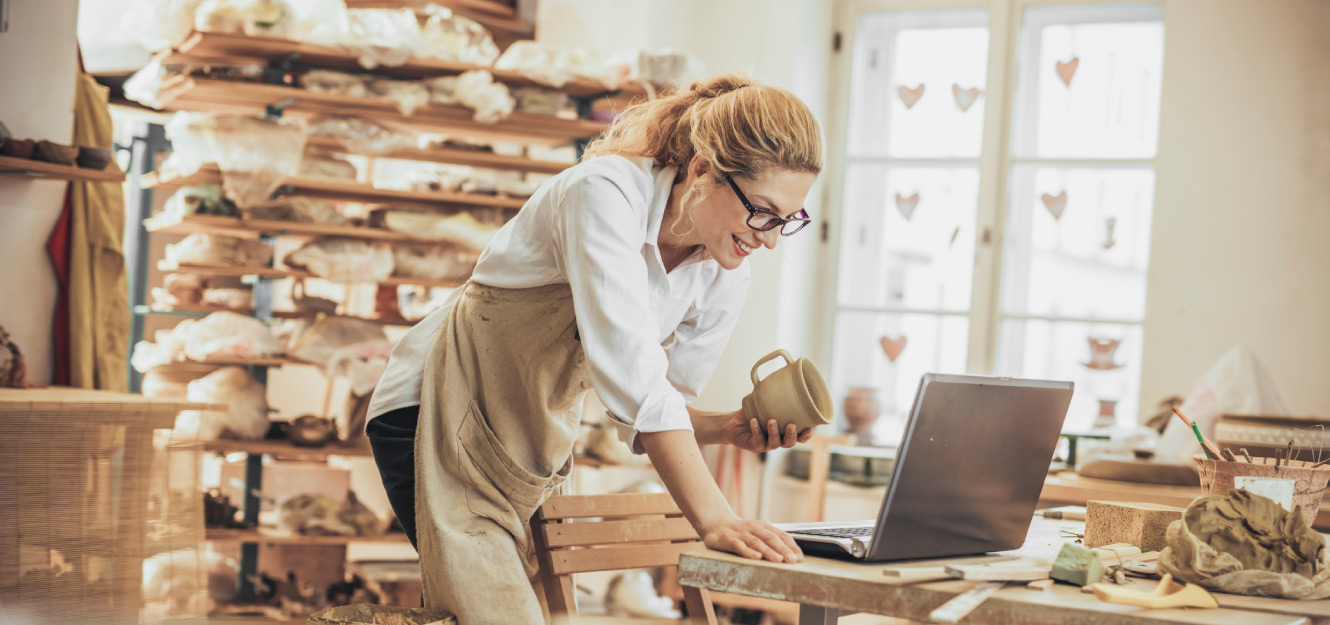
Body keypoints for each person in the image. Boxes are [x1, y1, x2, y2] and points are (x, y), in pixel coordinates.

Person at [365, 71, 824, 624]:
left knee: (534, 612)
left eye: (788, 220)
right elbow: (639, 390)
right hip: (431, 412)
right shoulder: (603, 194)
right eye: (763, 211)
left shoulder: (725, 270)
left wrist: (726, 428)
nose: (770, 238)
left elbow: (655, 411)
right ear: (703, 170)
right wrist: (717, 519)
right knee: (491, 610)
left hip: (527, 444)